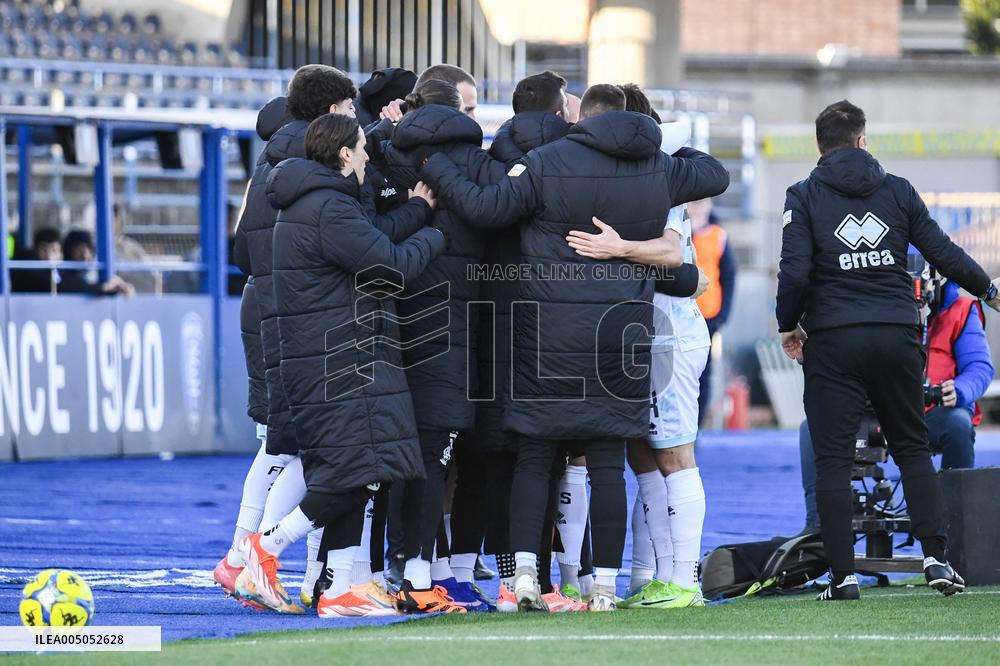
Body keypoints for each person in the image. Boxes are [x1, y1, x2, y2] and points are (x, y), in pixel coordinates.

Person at [420, 82, 729, 611]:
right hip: (620, 335)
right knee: (608, 463)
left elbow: (486, 208)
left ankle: (522, 582)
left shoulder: (548, 160)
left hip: (547, 333)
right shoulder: (656, 166)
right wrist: (662, 138)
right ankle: (604, 588)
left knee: (535, 459)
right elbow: (714, 173)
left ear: (578, 117)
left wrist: (435, 166)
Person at [776, 99, 1000, 600]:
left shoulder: (804, 195)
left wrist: (788, 326)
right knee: (912, 447)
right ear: (861, 140)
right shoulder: (897, 190)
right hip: (897, 333)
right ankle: (937, 559)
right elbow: (942, 252)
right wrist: (987, 289)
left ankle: (843, 577)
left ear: (820, 147)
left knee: (833, 459)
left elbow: (794, 272)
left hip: (833, 340)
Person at [235, 112, 447, 618]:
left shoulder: (312, 204)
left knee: (360, 472)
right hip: (340, 358)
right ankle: (264, 547)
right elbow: (390, 267)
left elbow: (373, 248)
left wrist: (415, 212)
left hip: (334, 354)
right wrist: (439, 235)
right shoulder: (329, 207)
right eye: (361, 146)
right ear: (344, 155)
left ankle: (335, 591)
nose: (369, 155)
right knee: (354, 473)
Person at [565, 84, 714, 610]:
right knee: (642, 456)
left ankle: (684, 581)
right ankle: (653, 575)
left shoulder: (661, 176)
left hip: (668, 336)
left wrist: (617, 248)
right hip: (637, 337)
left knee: (675, 455)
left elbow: (674, 254)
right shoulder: (627, 180)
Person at [376, 76, 508, 613]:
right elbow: (500, 213)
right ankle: (421, 575)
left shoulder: (380, 149)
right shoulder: (478, 162)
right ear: (460, 110)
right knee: (434, 457)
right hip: (454, 324)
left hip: (381, 318)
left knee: (386, 454)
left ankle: (360, 573)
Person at [798, 274, 994, 530]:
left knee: (958, 424)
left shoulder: (961, 311)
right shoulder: (866, 308)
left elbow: (979, 366)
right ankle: (818, 526)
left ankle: (955, 527)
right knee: (812, 428)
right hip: (877, 412)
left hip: (930, 413)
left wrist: (959, 389)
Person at [690, 199, 736, 424]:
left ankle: (695, 429)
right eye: (693, 203)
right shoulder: (674, 232)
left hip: (708, 317)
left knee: (703, 375)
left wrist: (722, 316)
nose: (697, 207)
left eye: (702, 203)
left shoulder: (718, 235)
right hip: (679, 315)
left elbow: (729, 277)